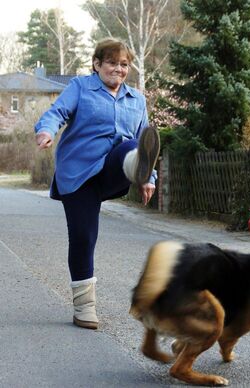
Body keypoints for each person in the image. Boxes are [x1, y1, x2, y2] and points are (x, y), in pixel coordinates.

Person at [34, 38, 160, 330]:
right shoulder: (80, 87)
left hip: (114, 168)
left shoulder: (137, 100)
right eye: (112, 63)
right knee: (83, 237)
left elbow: (145, 140)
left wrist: (149, 177)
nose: (118, 69)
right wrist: (46, 131)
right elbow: (56, 113)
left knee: (130, 144)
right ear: (97, 64)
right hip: (79, 174)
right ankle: (84, 307)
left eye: (124, 65)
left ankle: (136, 169)